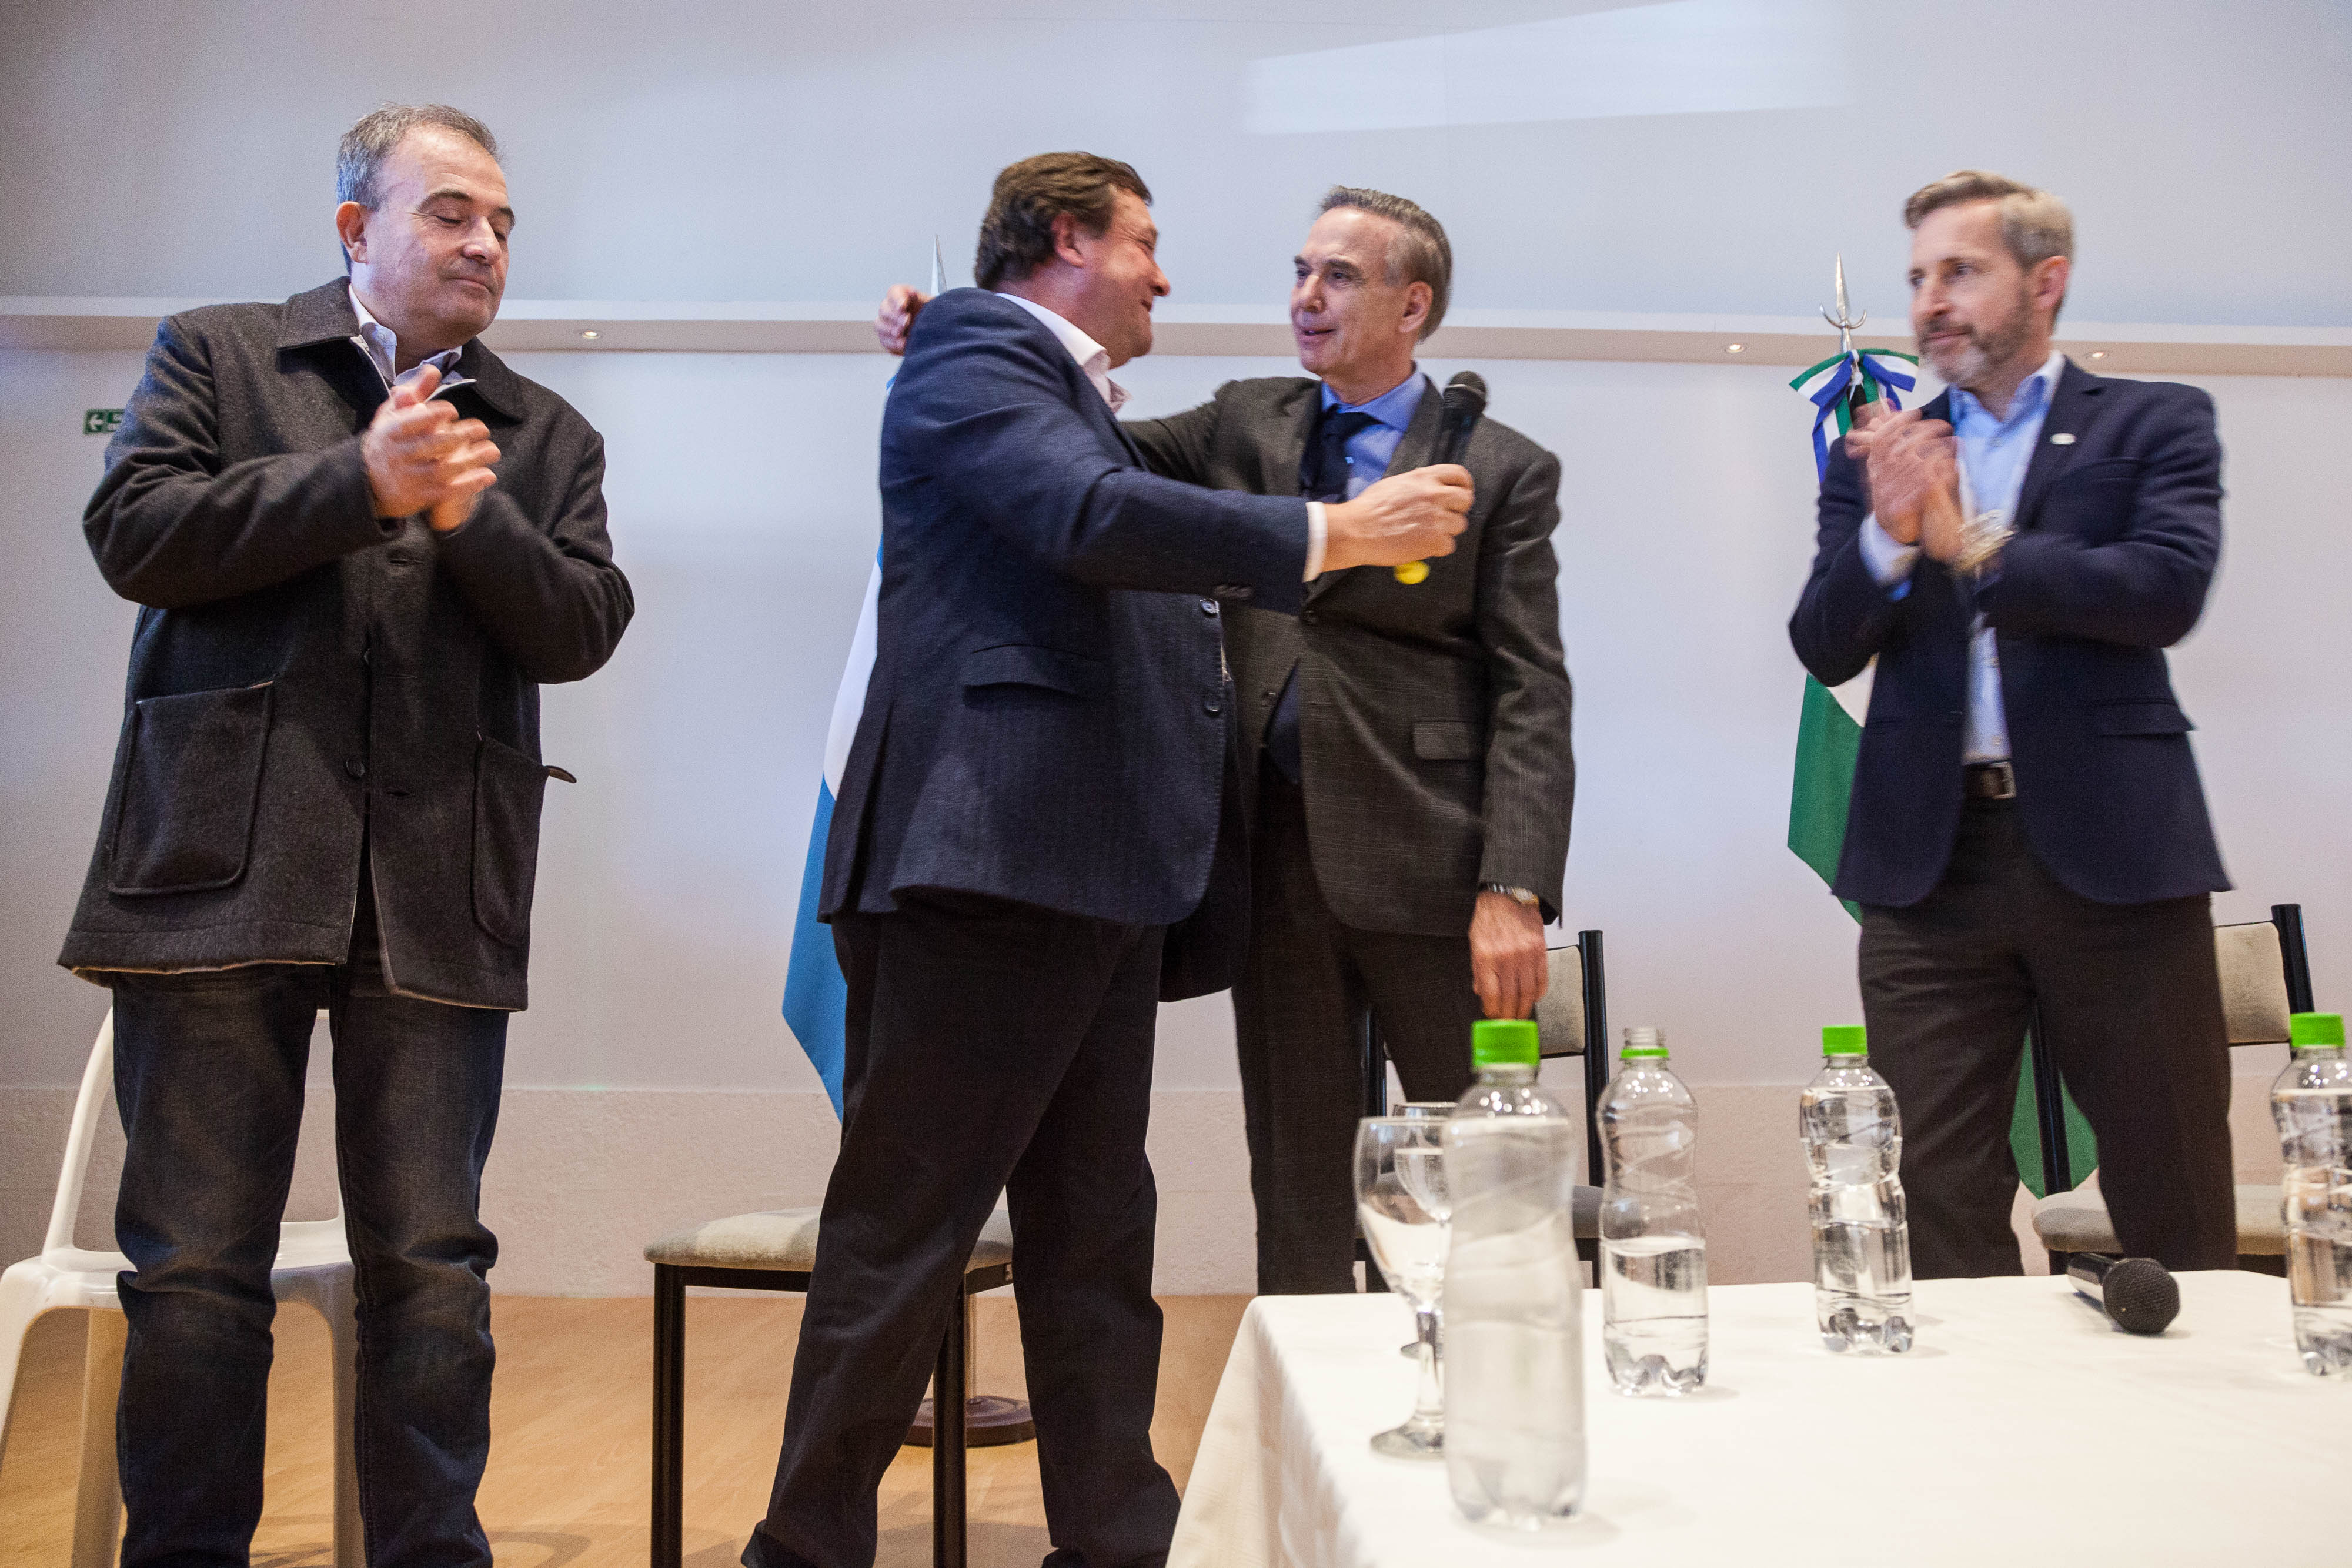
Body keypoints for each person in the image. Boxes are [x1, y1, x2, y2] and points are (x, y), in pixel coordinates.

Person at [749, 154, 1468, 1568]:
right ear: (1068, 241)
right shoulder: (975, 351)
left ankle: (1117, 1537)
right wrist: (1330, 531)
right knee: (905, 1235)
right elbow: (1085, 515)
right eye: (1144, 242)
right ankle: (805, 1546)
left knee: (1093, 1236)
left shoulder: (1057, 393)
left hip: (1088, 877)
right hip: (988, 871)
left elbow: (1103, 499)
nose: (1163, 273)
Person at [61, 105, 632, 1564]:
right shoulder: (220, 353)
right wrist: (356, 482)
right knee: (195, 1268)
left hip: (437, 886)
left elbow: (581, 627)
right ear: (353, 228)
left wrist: (465, 513)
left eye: (501, 222)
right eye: (450, 213)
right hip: (215, 872)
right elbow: (136, 531)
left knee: (432, 1268)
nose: (485, 243)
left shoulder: (547, 433)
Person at [876, 187, 1573, 1296]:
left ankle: (1517, 1381)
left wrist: (1514, 884)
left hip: (1437, 866)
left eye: (1338, 277)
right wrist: (974, 336)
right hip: (1265, 861)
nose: (1305, 297)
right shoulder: (1247, 419)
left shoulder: (1505, 466)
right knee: (1296, 1183)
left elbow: (1534, 687)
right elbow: (1077, 455)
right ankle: (1312, 1399)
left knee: (1489, 1169)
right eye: (1300, 271)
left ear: (1413, 305)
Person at [1789, 169, 2235, 1278]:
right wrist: (1890, 536)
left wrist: (1972, 546)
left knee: (2171, 1178)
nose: (1930, 302)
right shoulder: (1882, 451)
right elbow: (1824, 644)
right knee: (1934, 1191)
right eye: (1917, 279)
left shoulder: (2154, 419)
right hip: (1928, 871)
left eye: (1960, 272)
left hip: (2116, 853)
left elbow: (2163, 591)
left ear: (2046, 282)